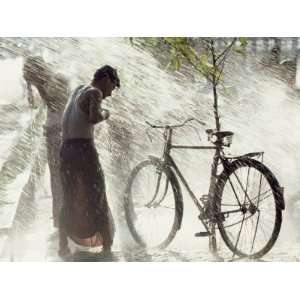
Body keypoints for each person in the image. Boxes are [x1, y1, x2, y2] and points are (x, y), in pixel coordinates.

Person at [59, 65, 120, 258]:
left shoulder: (79, 89)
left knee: (68, 197)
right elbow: (94, 118)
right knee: (97, 194)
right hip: (83, 150)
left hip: (66, 149)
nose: (111, 93)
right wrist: (107, 114)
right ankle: (108, 247)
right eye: (113, 86)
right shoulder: (95, 92)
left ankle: (62, 246)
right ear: (106, 79)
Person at [23, 56, 69, 230]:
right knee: (57, 178)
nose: (31, 81)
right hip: (54, 136)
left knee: (62, 178)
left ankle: (66, 220)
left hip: (61, 135)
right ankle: (61, 220)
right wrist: (29, 87)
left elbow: (62, 111)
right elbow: (33, 105)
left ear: (38, 72)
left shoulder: (56, 82)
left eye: (31, 77)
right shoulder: (46, 83)